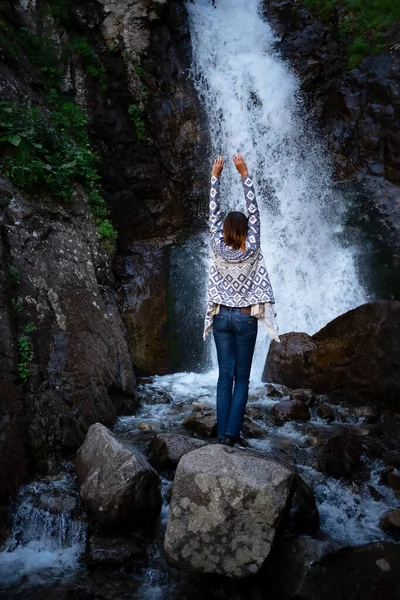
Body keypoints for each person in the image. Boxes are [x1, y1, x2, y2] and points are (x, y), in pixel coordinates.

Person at [203, 154, 279, 447]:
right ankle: (232, 434)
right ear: (247, 231)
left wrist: (215, 177)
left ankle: (223, 434)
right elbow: (255, 212)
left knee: (224, 378)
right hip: (246, 318)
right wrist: (244, 173)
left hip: (221, 317)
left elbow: (213, 213)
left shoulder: (216, 247)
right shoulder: (253, 248)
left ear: (223, 232)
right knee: (242, 379)